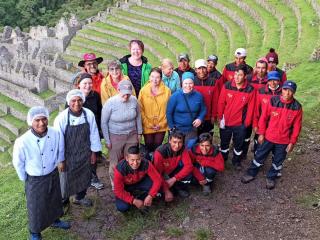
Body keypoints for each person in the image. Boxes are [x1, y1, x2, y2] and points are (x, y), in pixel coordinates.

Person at [13, 106, 70, 240]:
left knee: (54, 199)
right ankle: (34, 232)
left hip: (52, 173)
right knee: (35, 207)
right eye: (37, 120)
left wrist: (61, 160)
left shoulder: (55, 133)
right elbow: (18, 162)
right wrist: (25, 177)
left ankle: (55, 221)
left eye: (44, 119)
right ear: (30, 122)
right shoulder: (22, 141)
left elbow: (60, 148)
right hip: (34, 178)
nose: (41, 123)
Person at [241, 81, 302, 189]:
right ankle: (251, 173)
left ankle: (271, 177)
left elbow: (297, 127)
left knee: (278, 160)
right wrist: (261, 133)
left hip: (283, 140)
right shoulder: (273, 101)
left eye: (290, 91)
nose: (287, 93)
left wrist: (292, 142)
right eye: (285, 89)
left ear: (294, 92)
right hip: (268, 137)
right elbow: (263, 118)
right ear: (281, 89)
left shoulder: (297, 107)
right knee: (259, 155)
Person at [54, 89, 102, 207]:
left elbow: (94, 134)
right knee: (65, 179)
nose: (77, 103)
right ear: (69, 102)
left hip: (84, 153)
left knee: (84, 176)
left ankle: (79, 198)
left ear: (83, 101)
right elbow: (58, 141)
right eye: (73, 100)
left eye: (80, 100)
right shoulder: (62, 118)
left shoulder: (88, 114)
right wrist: (61, 160)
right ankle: (63, 200)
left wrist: (93, 153)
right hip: (67, 155)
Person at [101, 80, 142, 189]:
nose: (126, 95)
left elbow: (138, 117)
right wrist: (107, 140)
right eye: (124, 93)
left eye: (129, 93)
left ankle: (128, 181)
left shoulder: (134, 100)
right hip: (115, 135)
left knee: (130, 159)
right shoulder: (110, 103)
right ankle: (115, 184)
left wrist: (139, 133)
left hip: (131, 134)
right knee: (115, 162)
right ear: (118, 90)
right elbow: (104, 123)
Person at [217, 65, 256, 170]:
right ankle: (223, 159)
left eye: (240, 75)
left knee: (238, 144)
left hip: (240, 124)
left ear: (245, 76)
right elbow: (221, 102)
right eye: (235, 74)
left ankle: (236, 161)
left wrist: (246, 123)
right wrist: (220, 117)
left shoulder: (250, 90)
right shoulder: (227, 85)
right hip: (226, 122)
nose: (237, 77)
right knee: (224, 143)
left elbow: (251, 108)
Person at [74, 73, 104, 190]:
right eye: (85, 83)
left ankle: (93, 177)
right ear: (79, 85)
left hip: (93, 131)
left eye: (90, 83)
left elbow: (100, 112)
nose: (88, 85)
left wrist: (101, 129)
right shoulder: (73, 98)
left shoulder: (95, 96)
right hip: (79, 133)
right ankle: (81, 179)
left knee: (93, 155)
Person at [114, 146, 162, 212]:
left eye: (138, 159)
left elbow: (158, 180)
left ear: (141, 157)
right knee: (122, 207)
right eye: (132, 160)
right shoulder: (120, 169)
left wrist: (150, 195)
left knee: (158, 187)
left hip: (140, 182)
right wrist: (133, 201)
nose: (135, 163)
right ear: (127, 158)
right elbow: (118, 191)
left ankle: (144, 198)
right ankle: (136, 199)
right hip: (126, 186)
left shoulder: (146, 163)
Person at [166, 72, 206, 149]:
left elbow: (203, 109)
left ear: (193, 83)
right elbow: (169, 113)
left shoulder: (198, 96)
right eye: (185, 83)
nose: (188, 86)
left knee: (189, 148)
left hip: (191, 129)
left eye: (190, 83)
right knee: (176, 148)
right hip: (177, 129)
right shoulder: (175, 96)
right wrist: (171, 127)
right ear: (182, 83)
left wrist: (200, 118)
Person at [138, 67, 171, 153]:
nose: (154, 79)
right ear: (149, 77)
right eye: (152, 76)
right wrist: (148, 124)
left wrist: (162, 123)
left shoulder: (167, 91)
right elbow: (140, 109)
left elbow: (169, 109)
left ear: (161, 78)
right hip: (147, 124)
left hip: (161, 125)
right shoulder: (143, 91)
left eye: (157, 77)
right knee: (148, 145)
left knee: (158, 146)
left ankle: (156, 163)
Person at [153, 130, 193, 200]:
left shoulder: (183, 149)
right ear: (169, 140)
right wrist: (166, 190)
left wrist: (174, 179)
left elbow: (189, 166)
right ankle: (169, 189)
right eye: (174, 142)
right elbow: (157, 174)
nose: (177, 146)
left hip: (172, 171)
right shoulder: (160, 152)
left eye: (180, 142)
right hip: (161, 174)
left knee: (188, 175)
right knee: (160, 194)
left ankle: (178, 188)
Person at [252, 71, 282, 152]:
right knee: (258, 142)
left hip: (276, 124)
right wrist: (255, 123)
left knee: (272, 144)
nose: (272, 83)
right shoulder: (261, 91)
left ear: (279, 81)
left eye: (275, 80)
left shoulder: (283, 93)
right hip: (261, 122)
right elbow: (256, 109)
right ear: (267, 81)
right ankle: (256, 155)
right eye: (270, 80)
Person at [193, 59, 219, 136]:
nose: (201, 71)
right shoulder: (191, 81)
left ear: (207, 68)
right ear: (195, 70)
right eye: (199, 68)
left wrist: (213, 115)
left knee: (207, 140)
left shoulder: (213, 81)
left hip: (208, 117)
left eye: (203, 68)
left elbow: (215, 100)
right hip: (194, 117)